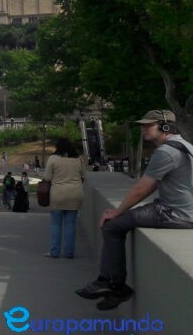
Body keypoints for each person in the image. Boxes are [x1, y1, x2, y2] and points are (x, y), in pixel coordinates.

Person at [77, 110, 193, 310]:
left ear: (165, 126)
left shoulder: (166, 152)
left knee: (112, 226)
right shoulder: (186, 146)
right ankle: (111, 285)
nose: (143, 129)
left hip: (173, 213)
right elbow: (154, 184)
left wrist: (117, 211)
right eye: (143, 125)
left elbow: (142, 189)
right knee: (121, 221)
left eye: (148, 125)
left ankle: (114, 285)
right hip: (184, 211)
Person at [43, 137, 85, 258]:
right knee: (70, 225)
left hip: (58, 194)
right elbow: (83, 176)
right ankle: (69, 252)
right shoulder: (79, 159)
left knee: (56, 224)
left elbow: (47, 177)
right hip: (75, 194)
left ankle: (54, 252)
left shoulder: (53, 159)